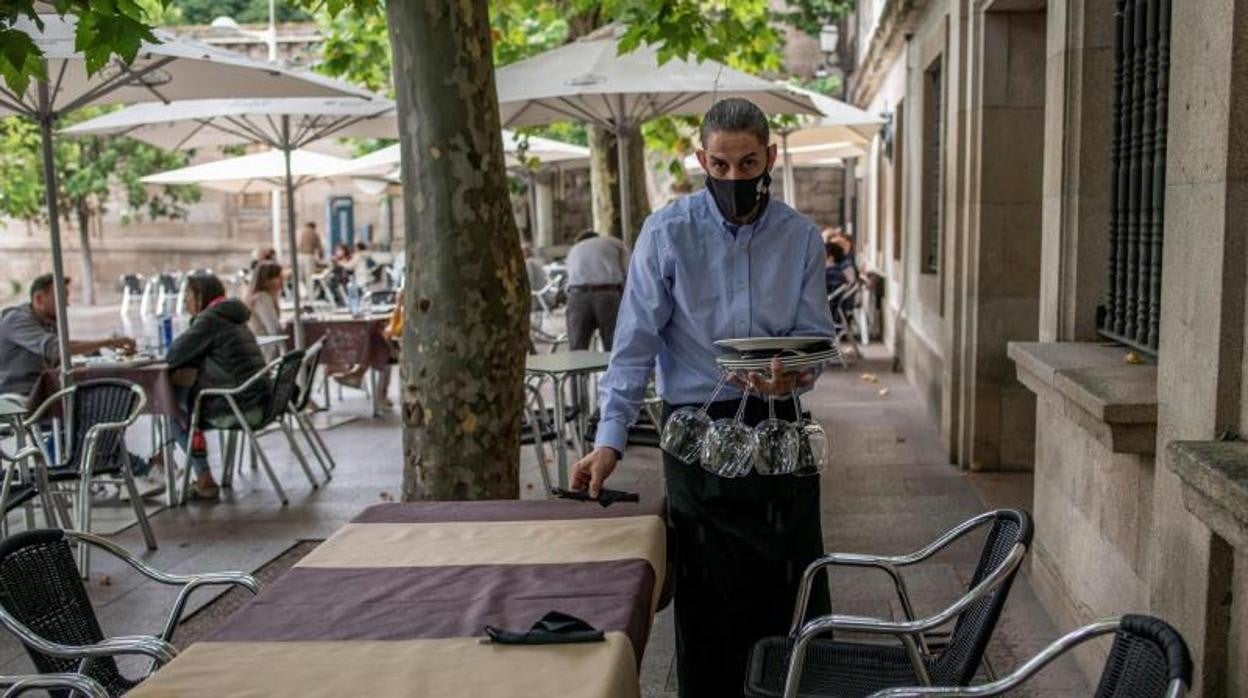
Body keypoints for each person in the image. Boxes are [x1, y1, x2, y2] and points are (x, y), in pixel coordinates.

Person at [571, 98, 837, 697]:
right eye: (720, 166)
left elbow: (816, 334)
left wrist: (794, 375)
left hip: (780, 429)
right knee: (710, 604)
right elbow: (633, 346)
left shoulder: (799, 237)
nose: (735, 179)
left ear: (769, 157)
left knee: (790, 593)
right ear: (701, 161)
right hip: (696, 435)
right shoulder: (666, 233)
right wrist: (608, 443)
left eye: (748, 164)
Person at [165, 274, 272, 500]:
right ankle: (163, 457)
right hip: (260, 399)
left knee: (172, 409)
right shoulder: (233, 316)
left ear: (201, 297)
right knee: (182, 399)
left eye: (189, 296)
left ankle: (204, 479)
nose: (186, 302)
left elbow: (173, 356)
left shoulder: (209, 320)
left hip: (239, 405)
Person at [0, 274, 135, 398]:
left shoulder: (48, 321)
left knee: (107, 394)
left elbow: (61, 349)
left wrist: (96, 349)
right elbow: (57, 349)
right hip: (16, 399)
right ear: (39, 299)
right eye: (61, 299)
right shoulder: (15, 319)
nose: (66, 304)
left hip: (42, 392)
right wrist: (106, 342)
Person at [563, 230, 629, 351]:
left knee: (577, 348)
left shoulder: (574, 249)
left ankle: (578, 370)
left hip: (577, 295)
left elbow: (568, 278)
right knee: (614, 346)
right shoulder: (614, 242)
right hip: (607, 294)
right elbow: (628, 271)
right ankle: (611, 368)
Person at [244, 262, 284, 359]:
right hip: (265, 351)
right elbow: (274, 329)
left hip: (260, 349)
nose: (282, 280)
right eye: (277, 277)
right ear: (267, 280)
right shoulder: (262, 299)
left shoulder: (260, 297)